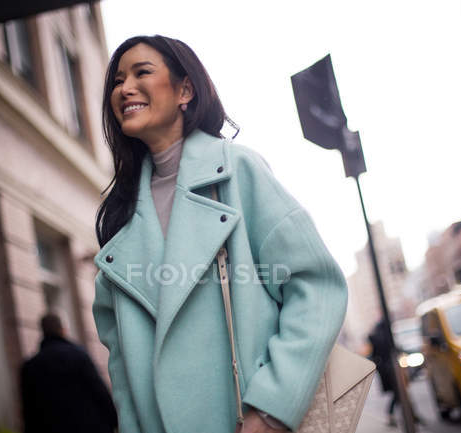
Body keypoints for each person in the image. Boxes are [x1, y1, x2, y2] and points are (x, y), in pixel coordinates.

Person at [93, 35, 348, 433]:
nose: (124, 88)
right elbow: (122, 365)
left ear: (185, 90)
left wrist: (271, 409)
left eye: (142, 72)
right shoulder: (120, 216)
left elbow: (316, 287)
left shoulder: (237, 171)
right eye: (117, 80)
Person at [20, 313, 117, 433]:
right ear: (63, 330)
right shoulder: (78, 355)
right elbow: (98, 390)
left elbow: (29, 411)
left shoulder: (30, 367)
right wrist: (115, 420)